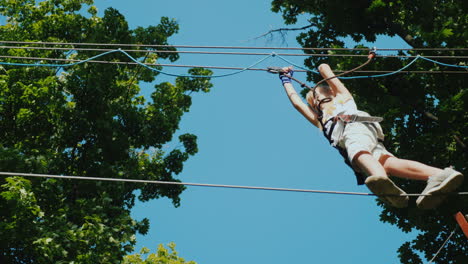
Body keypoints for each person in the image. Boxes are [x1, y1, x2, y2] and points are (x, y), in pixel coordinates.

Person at [278, 64, 464, 209]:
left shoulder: (343, 98)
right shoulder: (321, 119)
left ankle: (380, 178)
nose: (317, 100)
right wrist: (286, 80)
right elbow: (297, 103)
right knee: (388, 162)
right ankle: (439, 175)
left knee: (357, 152)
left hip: (354, 128)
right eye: (314, 100)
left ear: (330, 92)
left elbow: (327, 72)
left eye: (318, 95)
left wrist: (321, 68)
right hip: (369, 135)